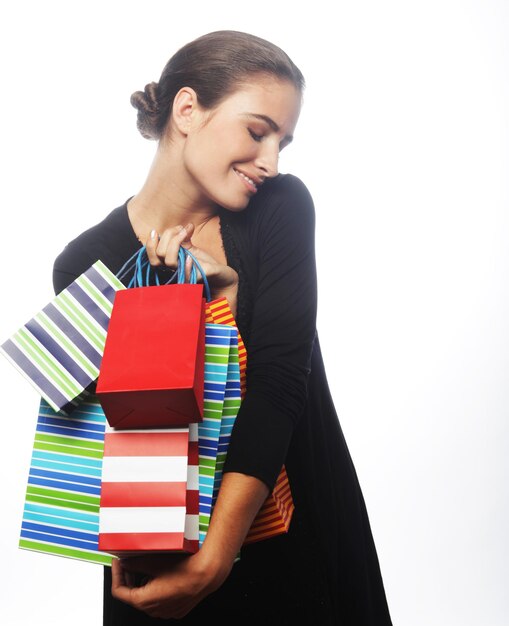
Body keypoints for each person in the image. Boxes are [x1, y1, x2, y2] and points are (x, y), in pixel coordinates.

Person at [53, 30, 393, 625]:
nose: (271, 161)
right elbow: (114, 435)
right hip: (160, 564)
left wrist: (224, 300)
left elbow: (281, 381)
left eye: (283, 141)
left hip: (299, 539)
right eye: (257, 132)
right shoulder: (86, 264)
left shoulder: (280, 209)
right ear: (187, 110)